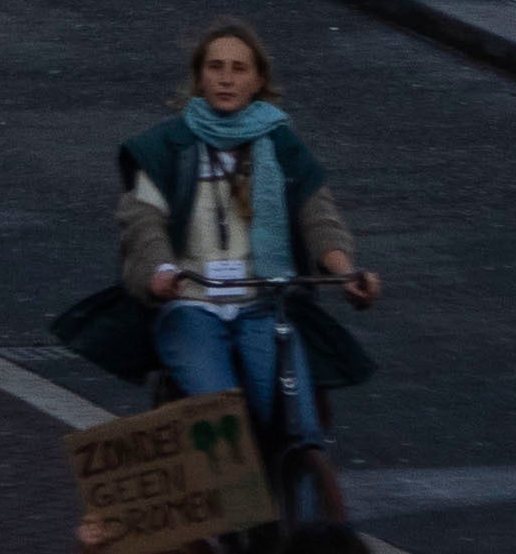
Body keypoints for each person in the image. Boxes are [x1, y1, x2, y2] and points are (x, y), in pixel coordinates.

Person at [100, 27, 365, 494]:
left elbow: (317, 215)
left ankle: (305, 541)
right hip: (191, 303)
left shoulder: (280, 144)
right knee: (218, 417)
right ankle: (237, 524)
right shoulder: (166, 147)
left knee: (297, 420)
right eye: (215, 67)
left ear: (258, 80)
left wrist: (345, 272)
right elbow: (143, 224)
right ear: (199, 78)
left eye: (238, 69)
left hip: (263, 302)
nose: (226, 79)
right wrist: (161, 273)